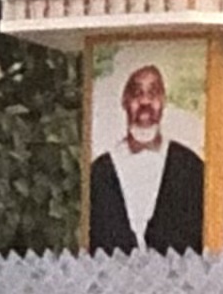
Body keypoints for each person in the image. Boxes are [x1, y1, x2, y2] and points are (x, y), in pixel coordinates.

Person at [85, 60, 207, 252]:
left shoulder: (191, 168)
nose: (145, 102)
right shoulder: (99, 173)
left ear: (163, 102)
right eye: (136, 94)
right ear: (124, 101)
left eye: (153, 93)